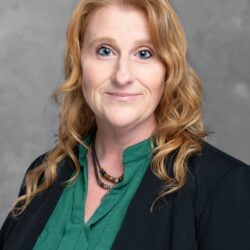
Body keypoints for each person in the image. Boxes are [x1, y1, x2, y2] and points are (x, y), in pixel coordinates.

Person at [1, 0, 250, 249]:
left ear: (169, 69)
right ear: (79, 63)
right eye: (105, 51)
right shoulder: (44, 174)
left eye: (144, 53)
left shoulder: (224, 185)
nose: (122, 76)